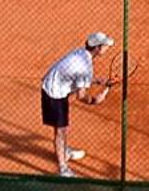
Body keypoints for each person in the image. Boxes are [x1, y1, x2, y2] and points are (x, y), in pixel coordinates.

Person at [41, 32, 112, 177]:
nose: (107, 47)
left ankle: (64, 150)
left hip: (57, 85)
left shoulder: (81, 53)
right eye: (105, 45)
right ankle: (63, 168)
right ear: (97, 48)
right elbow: (81, 96)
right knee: (60, 130)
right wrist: (95, 100)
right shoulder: (85, 66)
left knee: (63, 127)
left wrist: (96, 81)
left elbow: (76, 75)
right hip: (54, 93)